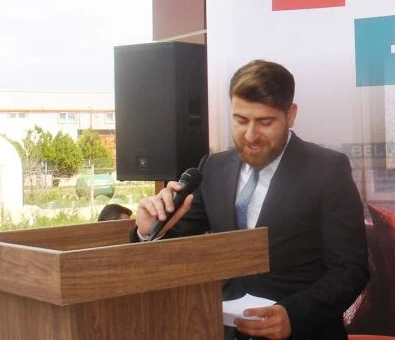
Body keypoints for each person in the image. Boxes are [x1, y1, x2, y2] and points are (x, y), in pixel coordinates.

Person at [132, 60, 369, 340]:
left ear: (290, 115)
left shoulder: (327, 169)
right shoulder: (213, 167)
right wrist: (148, 231)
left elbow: (350, 269)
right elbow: (177, 248)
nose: (250, 135)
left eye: (265, 122)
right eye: (241, 120)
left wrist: (294, 315)